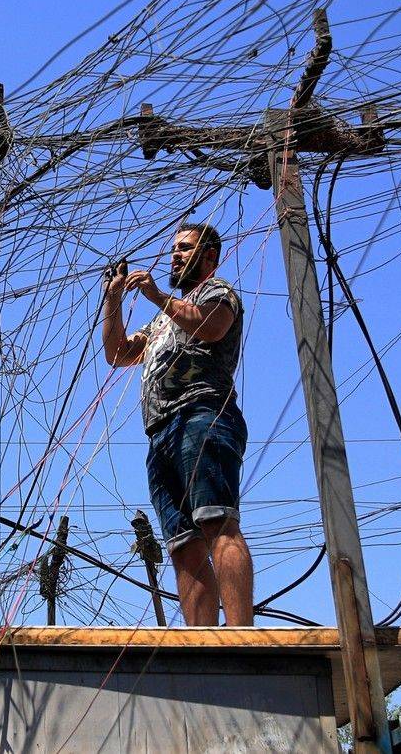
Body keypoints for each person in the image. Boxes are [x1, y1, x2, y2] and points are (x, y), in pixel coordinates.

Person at [101, 222, 254, 626]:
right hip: (161, 433)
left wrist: (155, 295)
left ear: (209, 257)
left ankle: (242, 637)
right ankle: (201, 643)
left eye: (185, 249)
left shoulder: (217, 293)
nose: (175, 255)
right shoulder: (161, 324)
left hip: (202, 415)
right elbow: (117, 354)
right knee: (183, 545)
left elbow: (211, 326)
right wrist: (113, 300)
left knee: (217, 520)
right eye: (174, 249)